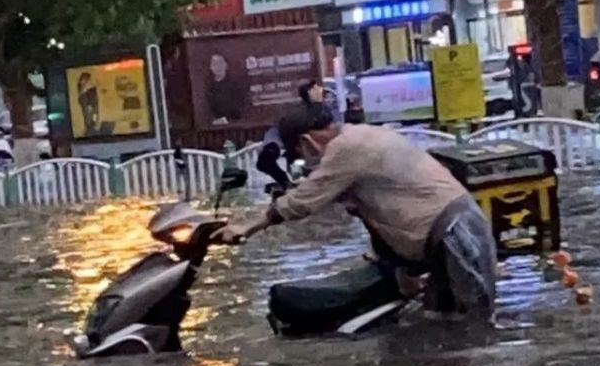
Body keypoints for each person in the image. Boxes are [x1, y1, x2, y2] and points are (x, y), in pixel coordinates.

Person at [215, 111, 498, 321]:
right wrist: (398, 268)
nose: (305, 162)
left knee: (473, 324)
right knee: (439, 322)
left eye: (297, 153)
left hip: (454, 233)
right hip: (448, 235)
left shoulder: (346, 147)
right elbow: (376, 212)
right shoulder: (362, 136)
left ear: (307, 141)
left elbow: (304, 201)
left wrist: (249, 226)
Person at [206, 54, 246, 123]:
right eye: (214, 64)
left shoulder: (235, 84)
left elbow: (241, 107)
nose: (218, 67)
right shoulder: (209, 87)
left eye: (220, 63)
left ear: (226, 65)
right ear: (211, 67)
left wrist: (225, 120)